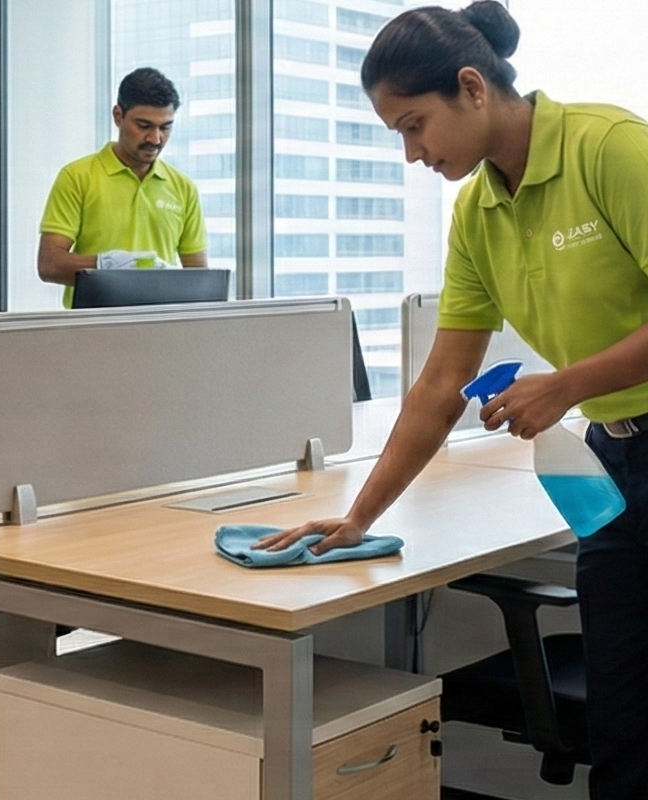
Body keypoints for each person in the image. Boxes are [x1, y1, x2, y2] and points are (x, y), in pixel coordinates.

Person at [253, 4, 648, 797]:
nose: (412, 154)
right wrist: (359, 517)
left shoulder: (611, 148)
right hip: (613, 458)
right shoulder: (478, 212)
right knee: (625, 722)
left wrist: (566, 384)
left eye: (414, 126)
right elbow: (439, 386)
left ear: (471, 87)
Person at [38, 67, 209, 307]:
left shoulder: (183, 188)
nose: (155, 139)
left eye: (165, 127)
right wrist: (107, 265)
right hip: (93, 326)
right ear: (118, 116)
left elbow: (200, 280)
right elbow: (50, 265)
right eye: (144, 125)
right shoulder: (77, 177)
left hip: (161, 325)